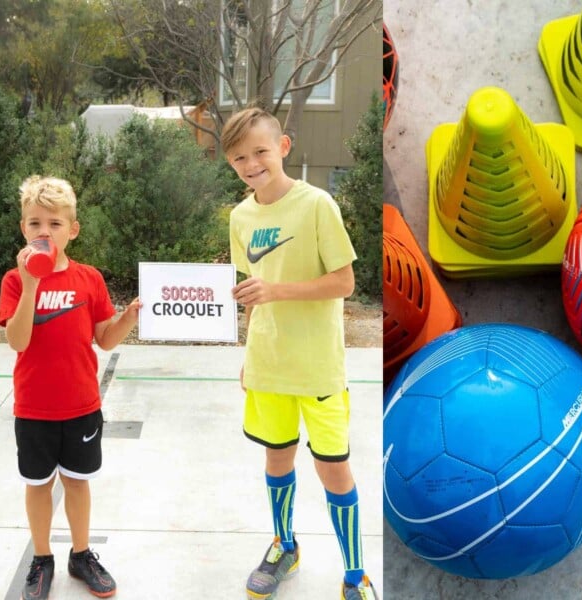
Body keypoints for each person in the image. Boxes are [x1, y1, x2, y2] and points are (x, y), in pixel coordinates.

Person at [224, 106, 378, 600]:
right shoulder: (241, 216)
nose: (251, 164)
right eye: (239, 158)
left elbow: (344, 282)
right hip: (269, 364)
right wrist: (251, 351)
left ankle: (355, 574)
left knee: (333, 466)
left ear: (283, 147)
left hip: (317, 368)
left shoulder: (317, 205)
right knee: (277, 458)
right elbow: (252, 289)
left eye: (261, 152)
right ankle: (284, 546)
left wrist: (276, 290)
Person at [0, 175, 141, 600]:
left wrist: (130, 316)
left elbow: (105, 338)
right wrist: (30, 284)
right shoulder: (13, 280)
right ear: (24, 228)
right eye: (35, 223)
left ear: (72, 229)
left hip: (80, 405)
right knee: (38, 484)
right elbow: (18, 341)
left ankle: (81, 555)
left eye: (55, 224)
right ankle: (42, 559)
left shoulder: (89, 278)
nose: (45, 232)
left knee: (78, 482)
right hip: (33, 408)